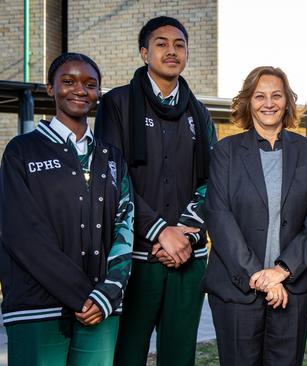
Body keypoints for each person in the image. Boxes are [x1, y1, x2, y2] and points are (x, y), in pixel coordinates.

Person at [94, 16, 217, 366]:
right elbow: (112, 177)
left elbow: (212, 181)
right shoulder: (117, 104)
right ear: (144, 53)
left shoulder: (200, 113)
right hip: (135, 258)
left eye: (179, 44)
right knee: (127, 354)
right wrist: (160, 231)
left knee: (179, 357)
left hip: (187, 259)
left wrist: (184, 236)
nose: (172, 50)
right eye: (161, 44)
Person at [0, 52, 134, 365]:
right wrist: (81, 295)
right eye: (68, 81)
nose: (79, 90)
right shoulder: (22, 150)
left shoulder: (111, 156)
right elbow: (21, 233)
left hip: (101, 308)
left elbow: (124, 225)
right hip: (36, 308)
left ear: (98, 93)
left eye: (90, 84)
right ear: (50, 88)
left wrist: (107, 293)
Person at [203, 66, 307, 366]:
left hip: (294, 287)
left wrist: (282, 270)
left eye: (277, 95)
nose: (268, 103)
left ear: (287, 101)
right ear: (248, 101)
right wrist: (260, 278)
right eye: (259, 96)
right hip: (236, 288)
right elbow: (218, 216)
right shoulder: (226, 151)